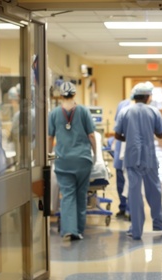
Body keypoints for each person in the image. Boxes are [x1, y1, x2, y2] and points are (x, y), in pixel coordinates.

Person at [114, 82, 162, 240]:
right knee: (154, 190)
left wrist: (129, 137)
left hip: (131, 157)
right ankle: (158, 224)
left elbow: (117, 135)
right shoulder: (154, 111)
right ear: (147, 97)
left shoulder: (125, 111)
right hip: (149, 157)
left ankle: (136, 231)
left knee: (134, 193)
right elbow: (161, 134)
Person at [47, 81, 97, 241]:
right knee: (81, 195)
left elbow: (50, 137)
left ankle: (69, 229)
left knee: (68, 194)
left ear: (60, 95)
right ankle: (79, 231)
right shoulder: (83, 111)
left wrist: (49, 155)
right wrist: (96, 155)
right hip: (83, 160)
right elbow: (91, 135)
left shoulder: (54, 114)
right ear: (75, 94)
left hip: (63, 161)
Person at [113, 97, 133, 219]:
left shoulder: (145, 110)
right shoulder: (123, 105)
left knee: (131, 182)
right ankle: (124, 207)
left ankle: (130, 209)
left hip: (131, 152)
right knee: (123, 181)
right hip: (122, 148)